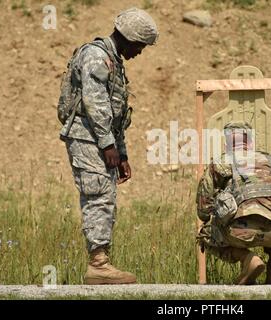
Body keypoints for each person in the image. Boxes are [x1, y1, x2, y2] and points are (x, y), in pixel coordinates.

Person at [58, 7, 158, 285]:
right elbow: (95, 102)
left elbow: (116, 113)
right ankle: (98, 265)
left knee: (104, 194)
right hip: (86, 136)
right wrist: (107, 145)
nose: (139, 52)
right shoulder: (96, 56)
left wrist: (121, 152)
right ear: (127, 38)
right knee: (98, 194)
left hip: (98, 138)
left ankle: (101, 262)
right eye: (139, 45)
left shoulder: (113, 60)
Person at [196, 121, 271, 285]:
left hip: (241, 234)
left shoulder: (220, 163)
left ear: (227, 144)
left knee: (205, 233)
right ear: (251, 142)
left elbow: (203, 210)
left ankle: (247, 259)